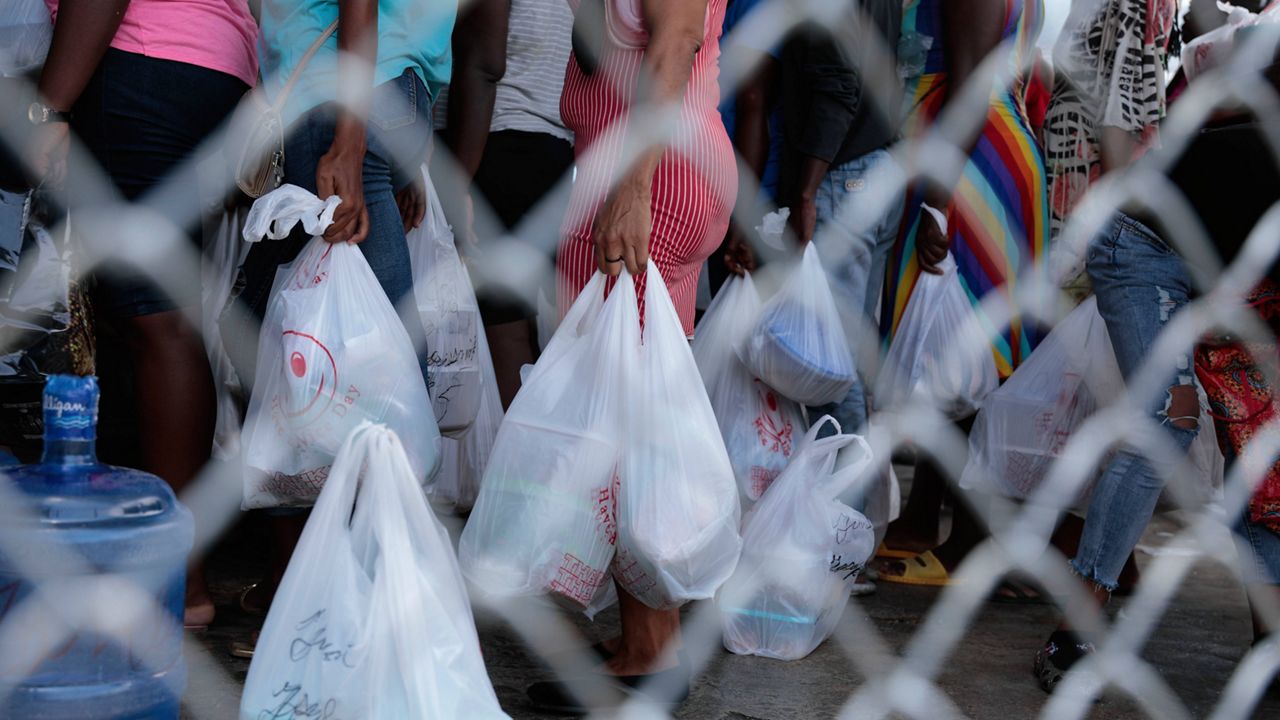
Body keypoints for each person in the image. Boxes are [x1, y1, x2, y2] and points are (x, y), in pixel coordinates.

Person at [528, 0, 736, 709]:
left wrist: (634, 186)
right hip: (661, 178)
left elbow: (677, 42)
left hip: (645, 185)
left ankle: (650, 648)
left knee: (617, 425)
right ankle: (648, 638)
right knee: (636, 415)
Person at [225, 0, 455, 634]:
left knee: (348, 369)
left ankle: (333, 602)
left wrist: (352, 143)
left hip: (339, 95)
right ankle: (328, 588)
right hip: (391, 89)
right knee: (356, 352)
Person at [27, 0, 257, 628]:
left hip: (142, 61)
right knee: (161, 318)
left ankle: (179, 582)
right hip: (214, 68)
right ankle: (177, 572)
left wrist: (48, 108)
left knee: (156, 322)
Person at [1030, 0, 1197, 693]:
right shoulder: (1142, 3)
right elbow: (1122, 129)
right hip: (1144, 238)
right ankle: (1079, 616)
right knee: (1166, 417)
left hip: (1178, 239)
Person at [875, 0, 1049, 588]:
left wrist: (937, 203)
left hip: (972, 165)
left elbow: (972, 83)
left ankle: (971, 545)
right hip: (987, 153)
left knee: (974, 352)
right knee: (954, 347)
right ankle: (926, 516)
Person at [437, 0, 576, 408]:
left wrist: (457, 179)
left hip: (491, 143)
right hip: (551, 145)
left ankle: (515, 460)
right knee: (523, 322)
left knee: (502, 326)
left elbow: (485, 63)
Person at [775, 0, 904, 439]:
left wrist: (806, 193)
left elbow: (837, 85)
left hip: (842, 172)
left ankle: (840, 504)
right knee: (848, 359)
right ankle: (852, 501)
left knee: (830, 366)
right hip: (877, 166)